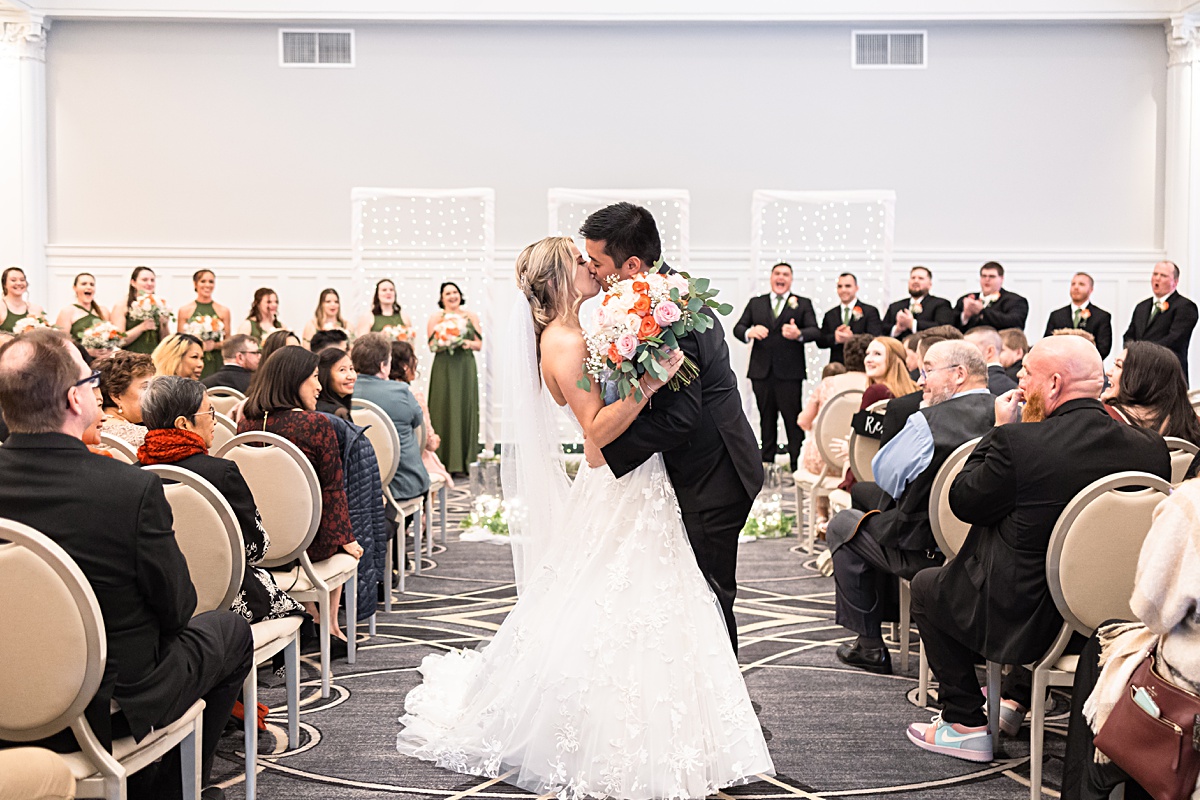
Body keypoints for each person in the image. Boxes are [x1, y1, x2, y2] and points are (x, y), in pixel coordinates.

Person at [396, 232, 774, 797]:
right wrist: (648, 382)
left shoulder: (582, 326)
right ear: (556, 278)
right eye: (580, 261)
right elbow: (596, 434)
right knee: (622, 598)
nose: (591, 268)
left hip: (641, 478)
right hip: (620, 482)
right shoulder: (564, 341)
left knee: (650, 597)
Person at [0, 329, 253, 799]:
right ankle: (176, 789)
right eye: (92, 382)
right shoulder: (128, 489)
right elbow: (178, 609)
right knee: (231, 632)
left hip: (5, 698)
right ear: (77, 400)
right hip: (103, 708)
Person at [905, 336, 1171, 763]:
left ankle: (966, 722)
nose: (1019, 383)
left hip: (1024, 623)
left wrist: (998, 431)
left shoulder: (1020, 444)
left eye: (1026, 374)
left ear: (1054, 384)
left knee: (927, 586)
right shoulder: (1150, 448)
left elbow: (964, 501)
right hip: (1116, 618)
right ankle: (1012, 703)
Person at [582, 203, 765, 652]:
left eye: (598, 263)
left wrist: (607, 446)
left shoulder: (671, 315)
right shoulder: (669, 294)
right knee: (695, 595)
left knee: (710, 596)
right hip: (705, 464)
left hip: (714, 475)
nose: (593, 271)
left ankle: (731, 715)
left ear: (631, 265)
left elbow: (681, 418)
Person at [826, 340, 995, 674]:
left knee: (844, 524)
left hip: (926, 550)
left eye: (928, 370)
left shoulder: (928, 422)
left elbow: (886, 477)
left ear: (958, 375)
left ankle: (870, 644)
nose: (920, 380)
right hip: (988, 551)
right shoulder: (1009, 416)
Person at [1062, 478, 1200, 800]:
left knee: (1105, 643)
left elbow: (1151, 611)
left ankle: (1095, 778)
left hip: (1187, 699)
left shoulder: (1191, 504)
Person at [137, 376, 306, 626]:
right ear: (184, 423)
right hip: (226, 600)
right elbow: (255, 549)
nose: (215, 419)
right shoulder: (221, 473)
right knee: (296, 616)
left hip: (159, 604)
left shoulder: (133, 475)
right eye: (210, 411)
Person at [237, 345, 363, 644]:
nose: (320, 386)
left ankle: (309, 615)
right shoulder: (316, 424)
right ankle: (329, 625)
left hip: (258, 544)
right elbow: (332, 490)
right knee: (341, 540)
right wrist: (348, 539)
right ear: (294, 380)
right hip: (308, 545)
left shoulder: (247, 424)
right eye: (315, 377)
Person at [733, 261, 820, 470]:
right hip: (761, 373)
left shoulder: (803, 303)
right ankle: (766, 466)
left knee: (793, 420)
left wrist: (799, 334)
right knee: (766, 419)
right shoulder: (757, 303)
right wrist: (749, 333)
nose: (781, 278)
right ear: (771, 277)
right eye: (777, 274)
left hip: (790, 374)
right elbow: (739, 328)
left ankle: (797, 466)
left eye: (786, 274)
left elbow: (815, 331)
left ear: (791, 279)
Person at [834, 336, 921, 493]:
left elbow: (863, 444)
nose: (868, 359)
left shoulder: (876, 392)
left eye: (877, 354)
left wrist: (849, 449)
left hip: (870, 478)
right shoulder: (915, 392)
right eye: (868, 353)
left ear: (894, 359)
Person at [351, 332, 429, 503]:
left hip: (357, 484)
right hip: (402, 482)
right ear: (382, 365)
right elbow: (418, 423)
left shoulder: (345, 392)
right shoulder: (400, 392)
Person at [426, 280, 483, 475]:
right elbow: (431, 345)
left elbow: (479, 344)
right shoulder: (436, 317)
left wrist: (464, 342)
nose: (452, 296)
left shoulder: (470, 316)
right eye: (448, 293)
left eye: (455, 292)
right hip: (443, 366)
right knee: (442, 407)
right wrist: (446, 340)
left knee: (464, 407)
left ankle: (464, 461)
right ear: (441, 298)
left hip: (464, 366)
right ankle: (442, 460)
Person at [797, 334, 870, 478]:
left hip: (824, 460)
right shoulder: (875, 385)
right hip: (861, 460)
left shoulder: (828, 383)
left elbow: (803, 421)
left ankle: (820, 501)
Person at [1103, 341, 1200, 445]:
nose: (1108, 372)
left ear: (1141, 379)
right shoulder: (1192, 425)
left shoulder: (1104, 421)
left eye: (1118, 365)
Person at [390, 339, 453, 488]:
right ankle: (425, 510)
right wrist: (436, 440)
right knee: (430, 455)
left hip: (383, 458)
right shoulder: (413, 396)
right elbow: (428, 441)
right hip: (409, 461)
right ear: (405, 367)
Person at [1123, 260, 1199, 378]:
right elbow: (1129, 334)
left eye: (1163, 275)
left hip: (1167, 372)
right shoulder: (1142, 306)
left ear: (1175, 281)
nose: (1157, 279)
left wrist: (1144, 353)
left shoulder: (1185, 306)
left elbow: (1175, 339)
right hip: (1139, 372)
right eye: (1155, 274)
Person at [176, 269, 231, 380]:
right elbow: (180, 341)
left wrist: (214, 346)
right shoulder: (185, 310)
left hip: (215, 360)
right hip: (193, 360)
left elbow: (228, 341)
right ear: (195, 284)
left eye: (211, 282)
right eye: (203, 281)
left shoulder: (223, 310)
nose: (207, 285)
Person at [818, 273, 883, 364]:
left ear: (856, 288)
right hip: (837, 365)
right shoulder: (830, 314)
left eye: (848, 286)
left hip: (862, 364)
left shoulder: (869, 311)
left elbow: (875, 338)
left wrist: (852, 338)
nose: (843, 290)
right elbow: (820, 341)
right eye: (840, 286)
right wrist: (835, 338)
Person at [1044, 272, 1112, 358]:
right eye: (1073, 284)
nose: (1076, 287)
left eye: (1081, 284)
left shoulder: (1102, 316)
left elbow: (1104, 348)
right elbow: (1047, 343)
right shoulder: (1056, 315)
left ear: (1091, 289)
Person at [97, 350, 155, 448]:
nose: (153, 393)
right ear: (117, 396)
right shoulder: (144, 437)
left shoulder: (89, 430)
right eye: (145, 387)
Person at [882, 266, 955, 341]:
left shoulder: (941, 304)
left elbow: (943, 329)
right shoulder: (895, 306)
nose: (916, 281)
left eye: (921, 278)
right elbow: (881, 330)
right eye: (913, 278)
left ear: (930, 284)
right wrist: (897, 329)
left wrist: (912, 324)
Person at [953, 262, 1029, 333]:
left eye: (992, 276)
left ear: (1001, 279)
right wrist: (965, 316)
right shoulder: (966, 299)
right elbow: (953, 325)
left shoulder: (1015, 300)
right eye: (984, 276)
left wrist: (982, 311)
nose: (987, 279)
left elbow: (1015, 323)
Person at [111, 266, 170, 355]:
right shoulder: (122, 305)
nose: (149, 283)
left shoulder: (159, 305)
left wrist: (164, 325)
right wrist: (142, 327)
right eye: (144, 280)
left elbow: (166, 343)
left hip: (154, 358)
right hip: (130, 358)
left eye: (152, 280)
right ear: (133, 282)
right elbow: (118, 340)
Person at [55, 273, 111, 358]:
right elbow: (61, 344)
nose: (88, 287)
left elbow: (112, 336)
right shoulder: (67, 311)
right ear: (75, 288)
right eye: (84, 284)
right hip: (79, 360)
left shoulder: (103, 311)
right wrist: (87, 351)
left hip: (103, 361)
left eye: (92, 284)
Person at [964, 326, 1018, 396]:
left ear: (990, 351)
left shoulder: (974, 387)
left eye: (969, 350)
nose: (963, 355)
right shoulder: (1014, 388)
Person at [0, 266, 46, 333]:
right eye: (13, 280)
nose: (19, 283)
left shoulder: (37, 309)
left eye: (22, 280)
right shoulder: (1, 307)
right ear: (4, 284)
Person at [315, 345, 355, 420]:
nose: (351, 376)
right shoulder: (337, 412)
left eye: (351, 369)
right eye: (342, 370)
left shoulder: (317, 405)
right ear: (325, 375)